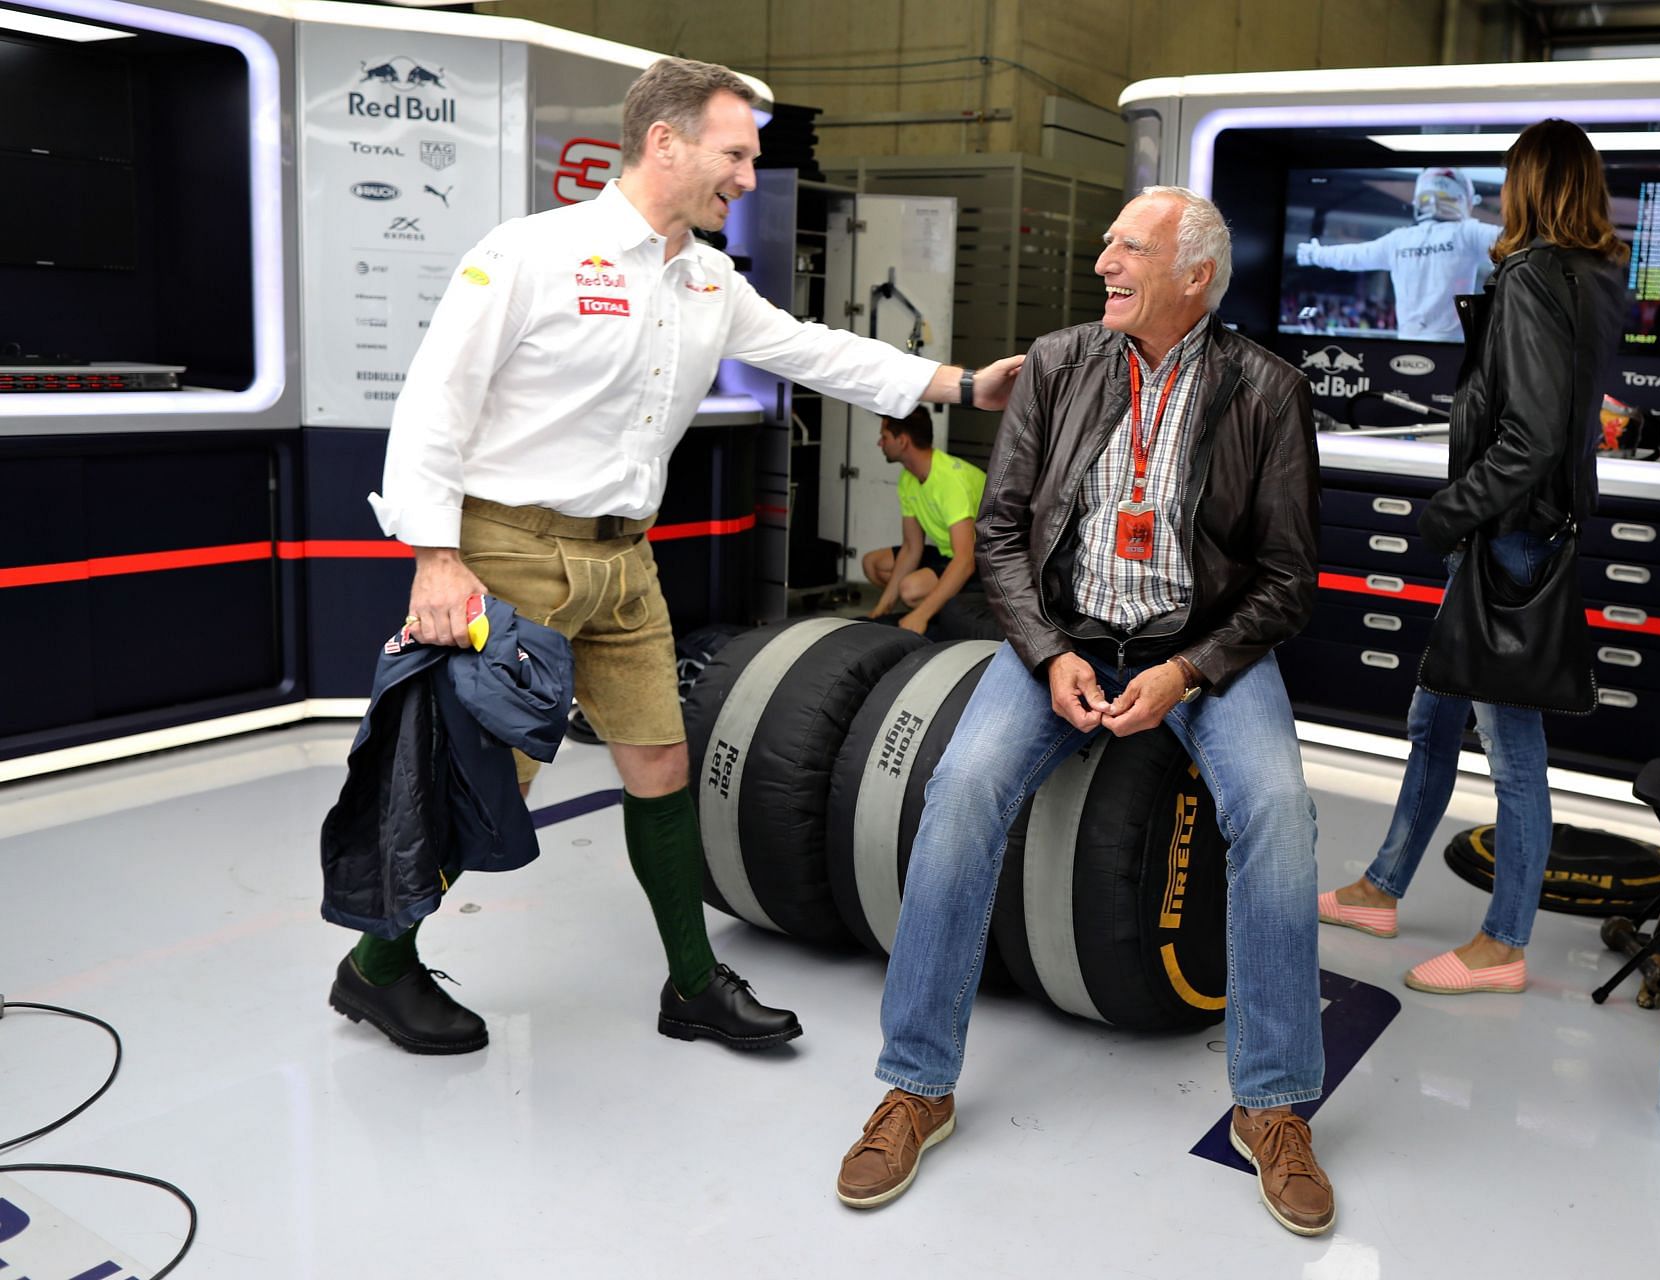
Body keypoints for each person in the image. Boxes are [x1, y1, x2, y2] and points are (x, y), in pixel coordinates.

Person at [333, 56, 1025, 1057]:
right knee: (481, 776)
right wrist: (436, 558)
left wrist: (960, 384)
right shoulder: (533, 253)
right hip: (512, 552)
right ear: (666, 143)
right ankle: (377, 968)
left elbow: (817, 348)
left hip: (624, 560)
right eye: (735, 154)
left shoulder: (708, 279)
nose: (748, 178)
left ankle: (692, 984)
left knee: (660, 759)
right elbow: (436, 400)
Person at [835, 186, 1333, 1235]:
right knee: (961, 788)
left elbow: (1288, 579)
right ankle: (915, 1084)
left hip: (1199, 649)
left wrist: (1190, 672)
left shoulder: (1267, 390)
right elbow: (1005, 532)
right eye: (1108, 241)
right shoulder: (1059, 364)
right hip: (1062, 633)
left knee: (1282, 811)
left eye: (1127, 247)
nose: (1103, 259)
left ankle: (1274, 1103)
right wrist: (1049, 650)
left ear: (1193, 276)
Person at [1318, 119, 1629, 995]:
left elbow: (1528, 436)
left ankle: (1505, 942)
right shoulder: (1597, 276)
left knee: (1511, 744)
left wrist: (1446, 516)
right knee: (1433, 719)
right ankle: (1382, 888)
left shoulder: (1532, 276)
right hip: (1521, 528)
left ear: (1529, 184)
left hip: (1506, 536)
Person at [1295, 167, 1501, 342]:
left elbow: (1354, 256)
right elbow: (1519, 241)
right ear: (1462, 199)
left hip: (1407, 344)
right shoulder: (1468, 233)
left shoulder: (1399, 240)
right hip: (1454, 350)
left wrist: (1314, 254)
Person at [861, 407, 986, 634]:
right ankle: (937, 602)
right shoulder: (908, 478)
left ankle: (936, 609)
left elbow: (966, 559)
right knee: (873, 564)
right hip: (949, 553)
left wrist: (920, 616)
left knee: (910, 589)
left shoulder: (950, 481)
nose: (880, 443)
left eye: (884, 437)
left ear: (903, 441)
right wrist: (881, 610)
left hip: (983, 561)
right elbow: (911, 547)